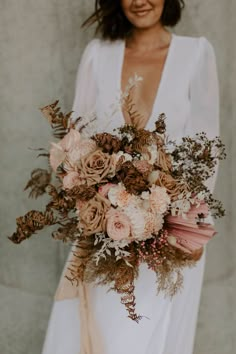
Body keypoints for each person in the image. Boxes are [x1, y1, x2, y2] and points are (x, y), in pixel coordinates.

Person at [42, 1, 219, 353]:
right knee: (92, 334)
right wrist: (92, 200)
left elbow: (208, 149)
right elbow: (77, 145)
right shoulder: (98, 54)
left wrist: (189, 223)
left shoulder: (196, 53)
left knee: (151, 337)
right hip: (104, 231)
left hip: (172, 236)